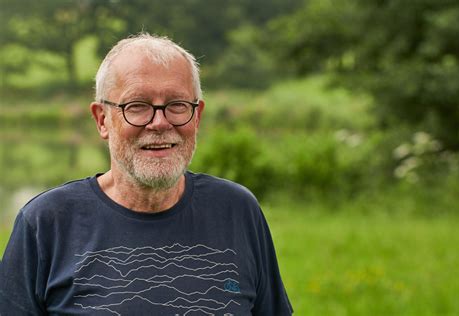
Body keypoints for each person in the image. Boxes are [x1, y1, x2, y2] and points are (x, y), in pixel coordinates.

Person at [0, 33, 293, 315]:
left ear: (198, 115)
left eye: (177, 105)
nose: (160, 123)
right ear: (102, 120)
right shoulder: (45, 223)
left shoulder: (237, 210)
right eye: (137, 106)